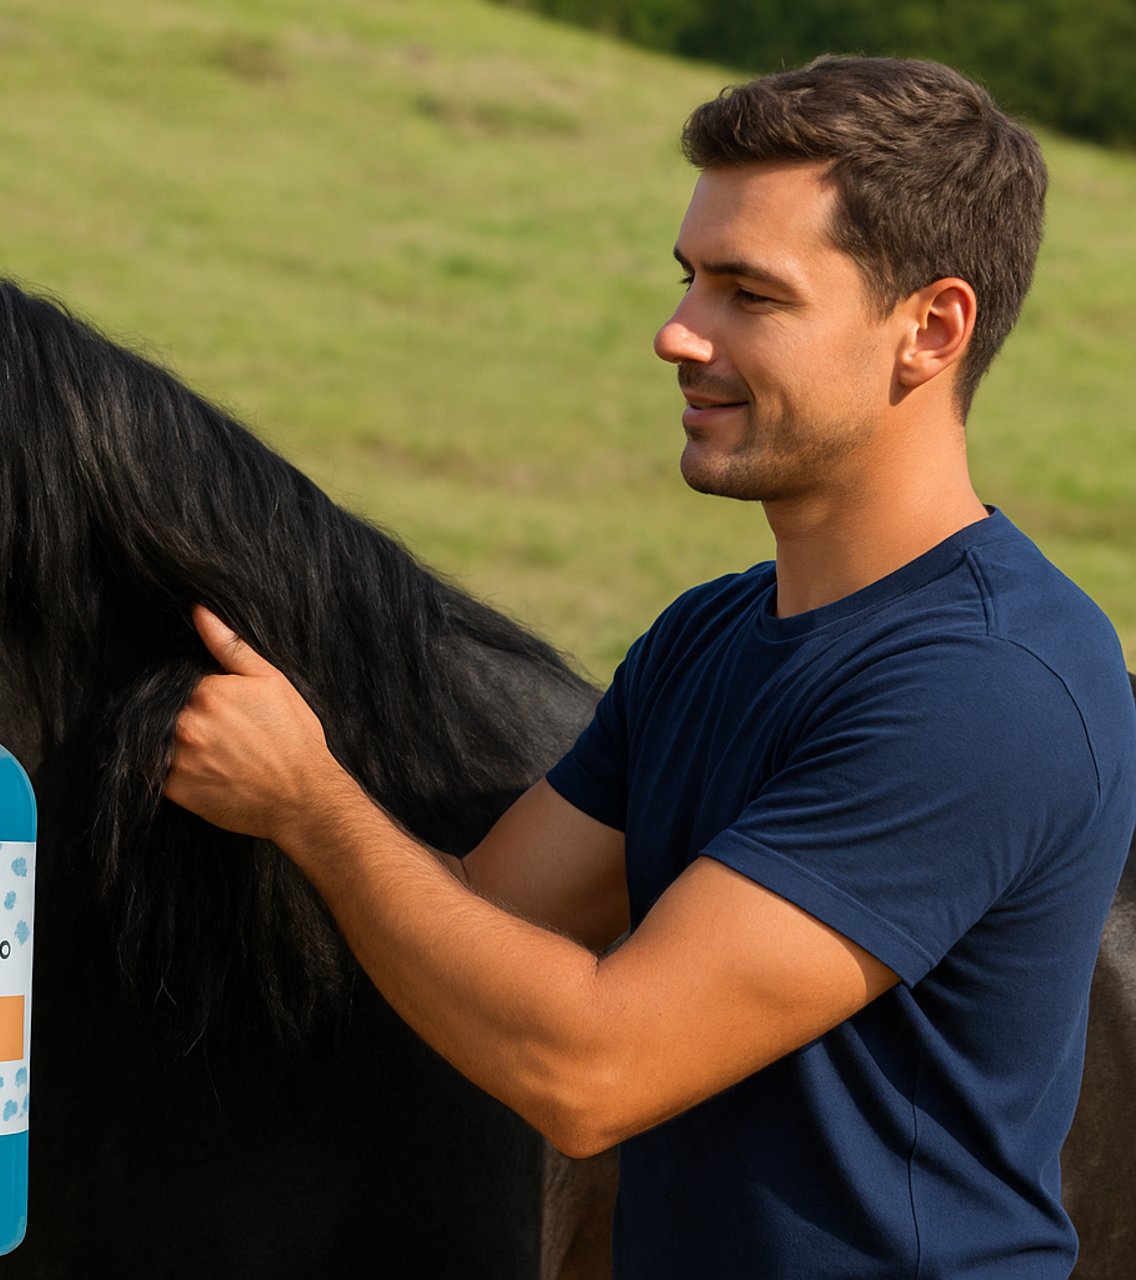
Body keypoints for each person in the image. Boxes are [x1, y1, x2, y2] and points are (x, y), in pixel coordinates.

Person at [163, 56, 1136, 1278]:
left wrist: (309, 801)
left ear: (930, 330)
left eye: (750, 294)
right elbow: (484, 914)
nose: (679, 331)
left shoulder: (990, 686)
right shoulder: (708, 636)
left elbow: (591, 1064)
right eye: (691, 279)